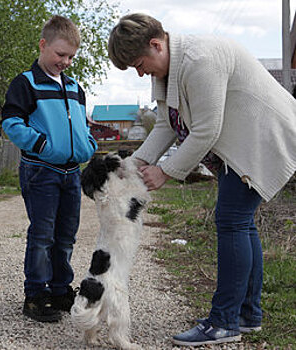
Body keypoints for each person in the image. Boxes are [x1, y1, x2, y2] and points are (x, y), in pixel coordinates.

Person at [108, 13, 296, 347]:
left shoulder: (199, 60)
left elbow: (207, 128)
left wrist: (165, 171)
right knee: (240, 223)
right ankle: (247, 315)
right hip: (240, 144)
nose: (140, 73)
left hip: (261, 138)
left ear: (156, 44)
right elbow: (168, 124)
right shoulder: (167, 69)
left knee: (232, 221)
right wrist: (137, 163)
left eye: (139, 64)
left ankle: (224, 321)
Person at [1, 15, 97, 323]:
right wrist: (43, 145)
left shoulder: (74, 87)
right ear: (43, 45)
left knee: (66, 235)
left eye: (71, 56)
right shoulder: (25, 84)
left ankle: (59, 290)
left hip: (72, 173)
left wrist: (88, 144)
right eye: (60, 54)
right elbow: (12, 124)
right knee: (43, 235)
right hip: (41, 170)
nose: (66, 61)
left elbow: (82, 124)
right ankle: (35, 295)